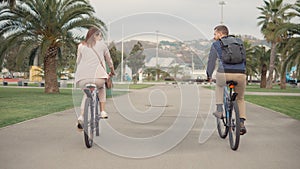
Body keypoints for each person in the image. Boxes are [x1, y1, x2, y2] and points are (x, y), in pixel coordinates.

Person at [206, 25, 247, 135]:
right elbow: (244, 59)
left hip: (223, 74)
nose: (214, 37)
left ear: (220, 33)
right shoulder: (239, 42)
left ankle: (219, 110)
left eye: (215, 34)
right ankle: (241, 122)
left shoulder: (216, 44)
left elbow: (211, 61)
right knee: (240, 98)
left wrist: (209, 75)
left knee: (219, 86)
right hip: (240, 74)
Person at [75, 27, 115, 129]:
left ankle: (81, 116)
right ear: (95, 36)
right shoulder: (102, 46)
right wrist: (112, 71)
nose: (101, 38)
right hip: (98, 77)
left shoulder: (81, 46)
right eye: (100, 35)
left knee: (86, 94)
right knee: (101, 88)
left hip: (82, 78)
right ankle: (102, 111)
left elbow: (77, 61)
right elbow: (109, 61)